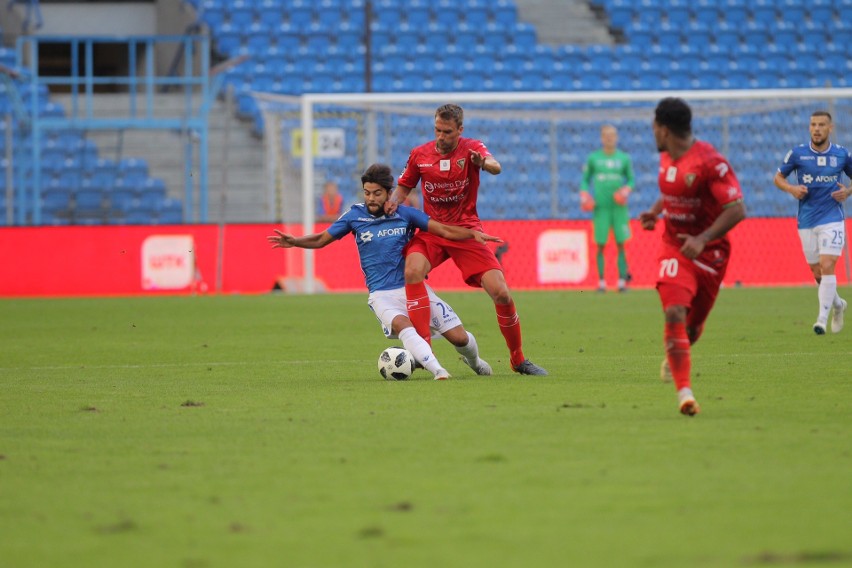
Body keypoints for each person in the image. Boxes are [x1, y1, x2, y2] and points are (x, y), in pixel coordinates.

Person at [268, 163, 501, 381]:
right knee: (403, 326)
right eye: (367, 192)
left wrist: (472, 235)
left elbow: (442, 230)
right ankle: (438, 370)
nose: (370, 198)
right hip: (382, 294)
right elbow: (321, 239)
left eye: (376, 193)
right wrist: (296, 241)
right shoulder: (354, 216)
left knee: (459, 337)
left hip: (414, 289)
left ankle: (475, 361)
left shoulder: (405, 214)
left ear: (389, 192)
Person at [385, 103, 548, 376]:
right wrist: (392, 203)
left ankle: (518, 359)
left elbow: (495, 166)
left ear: (460, 130)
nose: (441, 136)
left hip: (467, 231)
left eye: (447, 132)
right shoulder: (419, 154)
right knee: (412, 271)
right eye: (437, 130)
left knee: (502, 293)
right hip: (433, 230)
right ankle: (423, 352)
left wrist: (483, 164)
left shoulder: (473, 149)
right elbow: (403, 187)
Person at [638, 97, 746, 416]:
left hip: (710, 253)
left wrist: (702, 238)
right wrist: (656, 212)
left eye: (654, 127)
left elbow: (737, 209)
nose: (653, 133)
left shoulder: (710, 162)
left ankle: (678, 351)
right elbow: (672, 189)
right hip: (674, 247)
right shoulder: (667, 156)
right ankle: (685, 393)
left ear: (664, 129)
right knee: (674, 311)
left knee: (692, 327)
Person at [773, 110, 852, 335]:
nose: (816, 129)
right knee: (817, 272)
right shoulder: (798, 154)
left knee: (828, 265)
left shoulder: (841, 155)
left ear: (830, 128)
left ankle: (821, 319)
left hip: (832, 218)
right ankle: (838, 305)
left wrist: (847, 192)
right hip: (806, 220)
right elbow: (778, 178)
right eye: (813, 125)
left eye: (821, 125)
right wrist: (791, 189)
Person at [579, 124, 636, 292]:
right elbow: (585, 180)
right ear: (602, 138)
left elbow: (631, 180)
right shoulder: (594, 158)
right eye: (606, 135)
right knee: (600, 244)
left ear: (617, 137)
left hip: (619, 208)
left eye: (612, 135)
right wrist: (584, 195)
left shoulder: (624, 158)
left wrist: (625, 190)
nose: (609, 138)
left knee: (621, 244)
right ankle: (602, 282)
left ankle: (621, 282)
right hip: (601, 208)